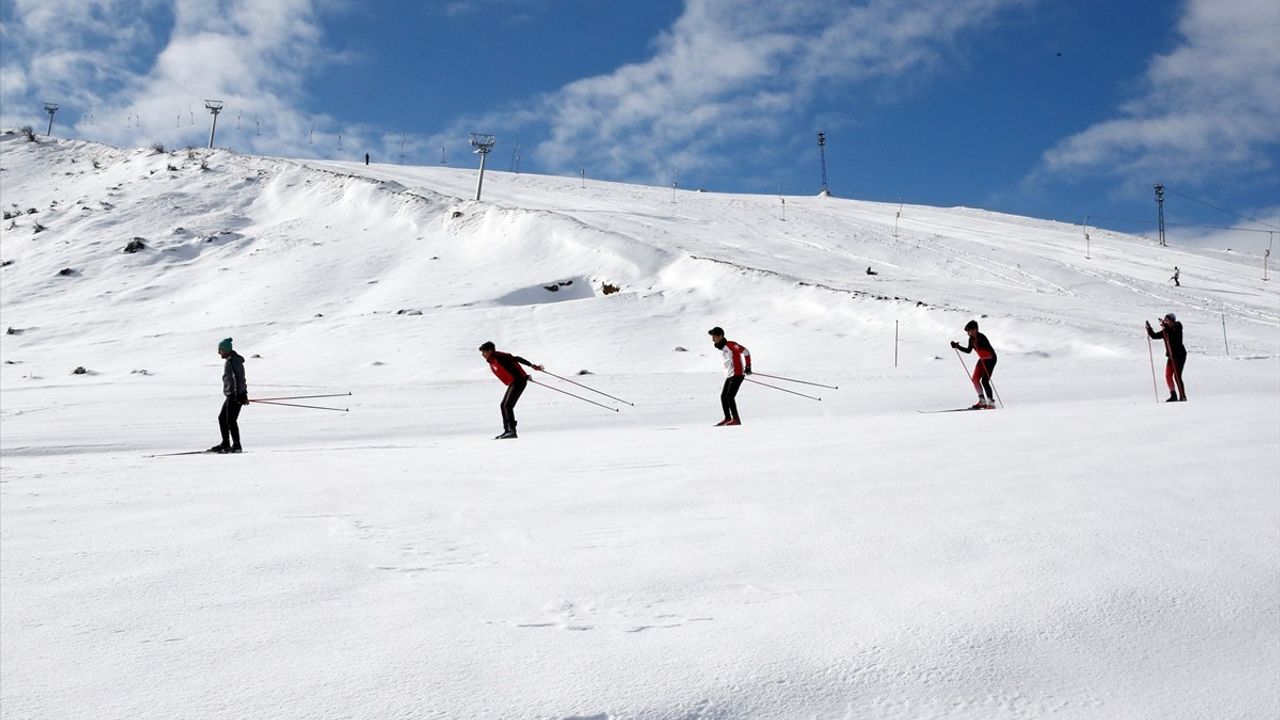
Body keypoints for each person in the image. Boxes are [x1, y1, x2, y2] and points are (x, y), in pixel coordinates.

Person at [479, 341, 543, 439]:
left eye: (484, 352)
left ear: (490, 351)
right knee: (503, 405)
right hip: (515, 382)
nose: (483, 355)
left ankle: (512, 431)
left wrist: (532, 367)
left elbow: (517, 359)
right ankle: (507, 430)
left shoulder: (499, 356)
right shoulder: (493, 359)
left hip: (519, 381)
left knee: (507, 405)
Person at [212, 338, 248, 453]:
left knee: (230, 420)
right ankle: (226, 443)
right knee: (223, 418)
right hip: (233, 394)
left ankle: (236, 445)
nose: (219, 353)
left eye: (221, 350)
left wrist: (240, 394)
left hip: (234, 394)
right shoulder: (231, 360)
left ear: (226, 350)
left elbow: (238, 378)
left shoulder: (233, 361)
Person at [709, 327, 751, 426]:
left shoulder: (731, 345)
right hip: (730, 375)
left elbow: (746, 351)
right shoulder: (723, 348)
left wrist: (748, 366)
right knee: (723, 397)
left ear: (720, 336)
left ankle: (736, 419)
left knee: (729, 396)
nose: (712, 339)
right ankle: (728, 418)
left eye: (714, 337)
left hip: (737, 374)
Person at [951, 320, 997, 409]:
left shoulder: (982, 337)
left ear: (975, 329)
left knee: (984, 381)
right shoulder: (971, 339)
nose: (968, 333)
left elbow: (987, 349)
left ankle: (991, 403)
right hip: (982, 359)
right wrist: (957, 346)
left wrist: (978, 346)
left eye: (970, 330)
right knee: (975, 379)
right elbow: (968, 351)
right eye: (968, 331)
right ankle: (982, 401)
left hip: (990, 359)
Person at [1146, 313, 1187, 402]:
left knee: (1177, 376)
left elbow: (1173, 336)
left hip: (1179, 355)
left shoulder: (1177, 327)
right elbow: (1154, 336)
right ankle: (1173, 395)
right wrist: (1149, 329)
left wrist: (1165, 326)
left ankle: (1182, 396)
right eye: (1165, 320)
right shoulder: (1166, 331)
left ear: (1173, 321)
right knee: (1168, 375)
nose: (1166, 322)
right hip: (1171, 356)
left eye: (1168, 321)